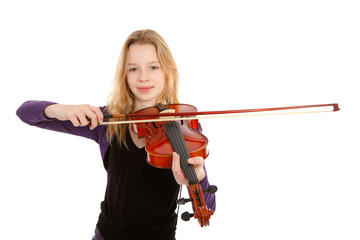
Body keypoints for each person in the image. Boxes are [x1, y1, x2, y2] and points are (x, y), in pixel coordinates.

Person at [16, 29, 216, 240]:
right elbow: (25, 113)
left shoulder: (184, 125)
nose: (143, 77)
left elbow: (209, 206)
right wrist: (61, 109)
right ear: (124, 75)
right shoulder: (106, 121)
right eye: (133, 69)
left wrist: (198, 177)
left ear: (167, 71)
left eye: (153, 67)